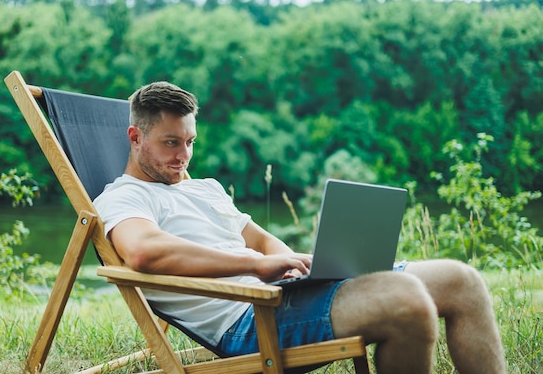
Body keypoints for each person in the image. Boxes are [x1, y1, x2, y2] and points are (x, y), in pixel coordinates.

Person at [93, 81, 506, 374]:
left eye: (191, 141)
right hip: (247, 320)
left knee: (461, 280)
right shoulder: (124, 197)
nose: (184, 155)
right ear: (135, 137)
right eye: (171, 142)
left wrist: (289, 261)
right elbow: (144, 252)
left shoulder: (204, 188)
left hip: (282, 294)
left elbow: (259, 239)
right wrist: (256, 267)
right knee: (406, 299)